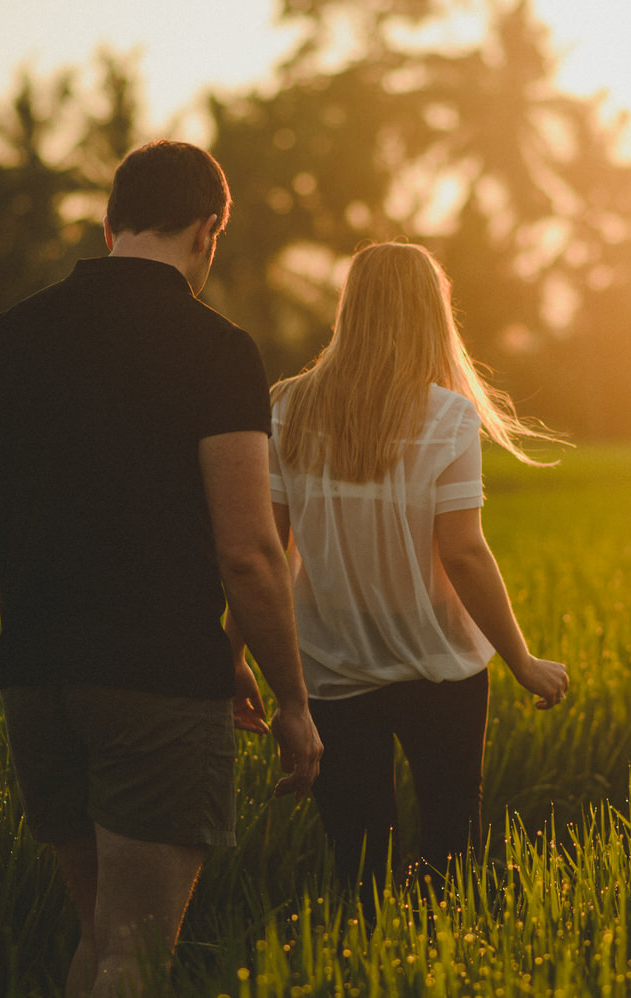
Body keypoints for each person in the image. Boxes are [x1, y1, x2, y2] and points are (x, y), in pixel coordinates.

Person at [0, 139, 322, 998]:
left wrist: (46, 637)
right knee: (137, 955)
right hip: (158, 684)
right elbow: (247, 550)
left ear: (109, 222)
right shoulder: (217, 348)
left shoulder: (6, 338)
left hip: (37, 678)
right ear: (209, 230)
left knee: (100, 940)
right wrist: (295, 703)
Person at [230, 241, 571, 906]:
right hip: (441, 665)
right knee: (452, 852)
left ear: (348, 309)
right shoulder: (447, 415)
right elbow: (464, 553)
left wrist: (233, 653)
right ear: (430, 314)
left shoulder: (287, 406)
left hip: (328, 669)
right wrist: (523, 660)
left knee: (360, 870)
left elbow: (265, 550)